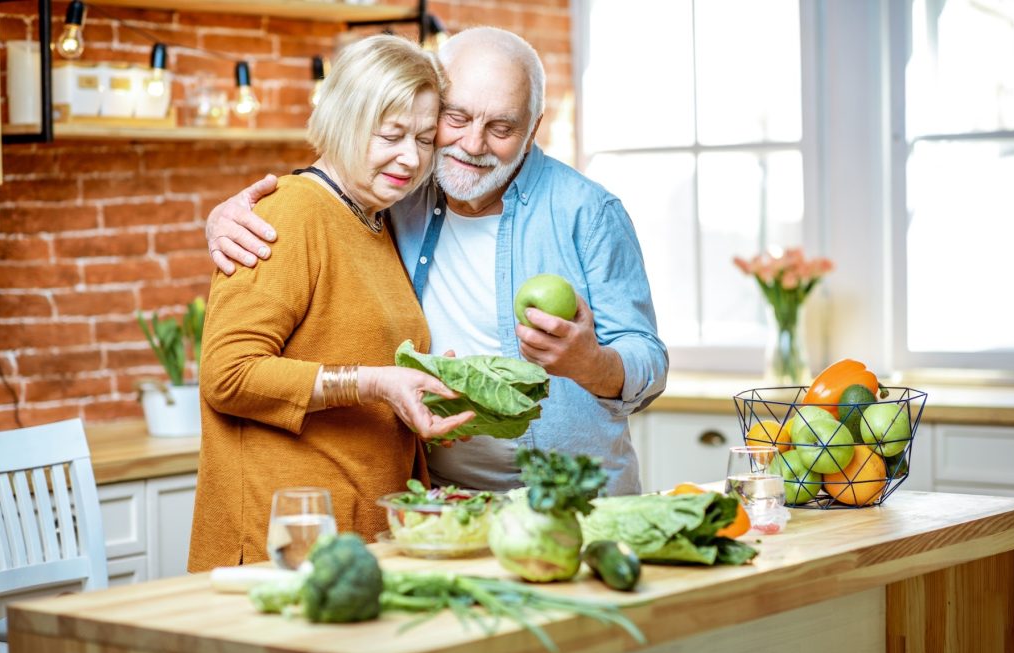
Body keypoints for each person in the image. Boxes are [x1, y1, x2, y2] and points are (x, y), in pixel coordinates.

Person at [204, 27, 668, 497]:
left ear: (532, 129)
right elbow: (325, 187)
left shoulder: (587, 212)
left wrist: (591, 362)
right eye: (456, 118)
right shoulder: (401, 194)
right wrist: (229, 216)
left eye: (502, 128)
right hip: (443, 500)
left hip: (572, 500)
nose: (472, 144)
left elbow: (648, 360)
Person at [187, 35, 473, 572]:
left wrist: (423, 382)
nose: (411, 158)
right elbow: (227, 375)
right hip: (282, 545)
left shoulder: (375, 218)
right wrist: (374, 382)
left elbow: (348, 342)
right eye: (391, 135)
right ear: (344, 120)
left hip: (357, 536)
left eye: (425, 139)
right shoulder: (291, 215)